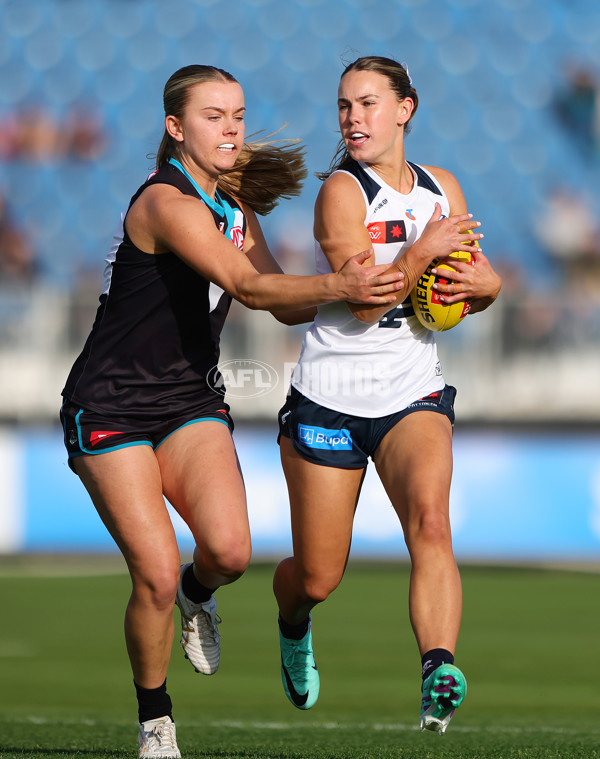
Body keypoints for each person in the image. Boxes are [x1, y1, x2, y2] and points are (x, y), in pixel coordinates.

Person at [59, 64, 403, 759]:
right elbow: (247, 285)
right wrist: (342, 280)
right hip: (111, 407)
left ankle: (198, 593)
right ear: (175, 128)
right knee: (152, 571)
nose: (232, 128)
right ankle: (156, 719)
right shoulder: (166, 203)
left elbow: (284, 300)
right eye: (213, 116)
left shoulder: (236, 212)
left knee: (228, 552)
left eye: (238, 115)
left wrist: (371, 283)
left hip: (188, 401)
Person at [273, 56, 501, 735]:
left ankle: (438, 668)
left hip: (411, 391)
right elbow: (367, 302)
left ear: (405, 109)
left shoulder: (443, 187)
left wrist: (481, 288)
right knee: (318, 575)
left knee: (431, 524)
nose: (353, 117)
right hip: (329, 397)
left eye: (368, 103)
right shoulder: (342, 192)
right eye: (345, 106)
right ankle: (292, 620)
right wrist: (423, 253)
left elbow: (479, 280)